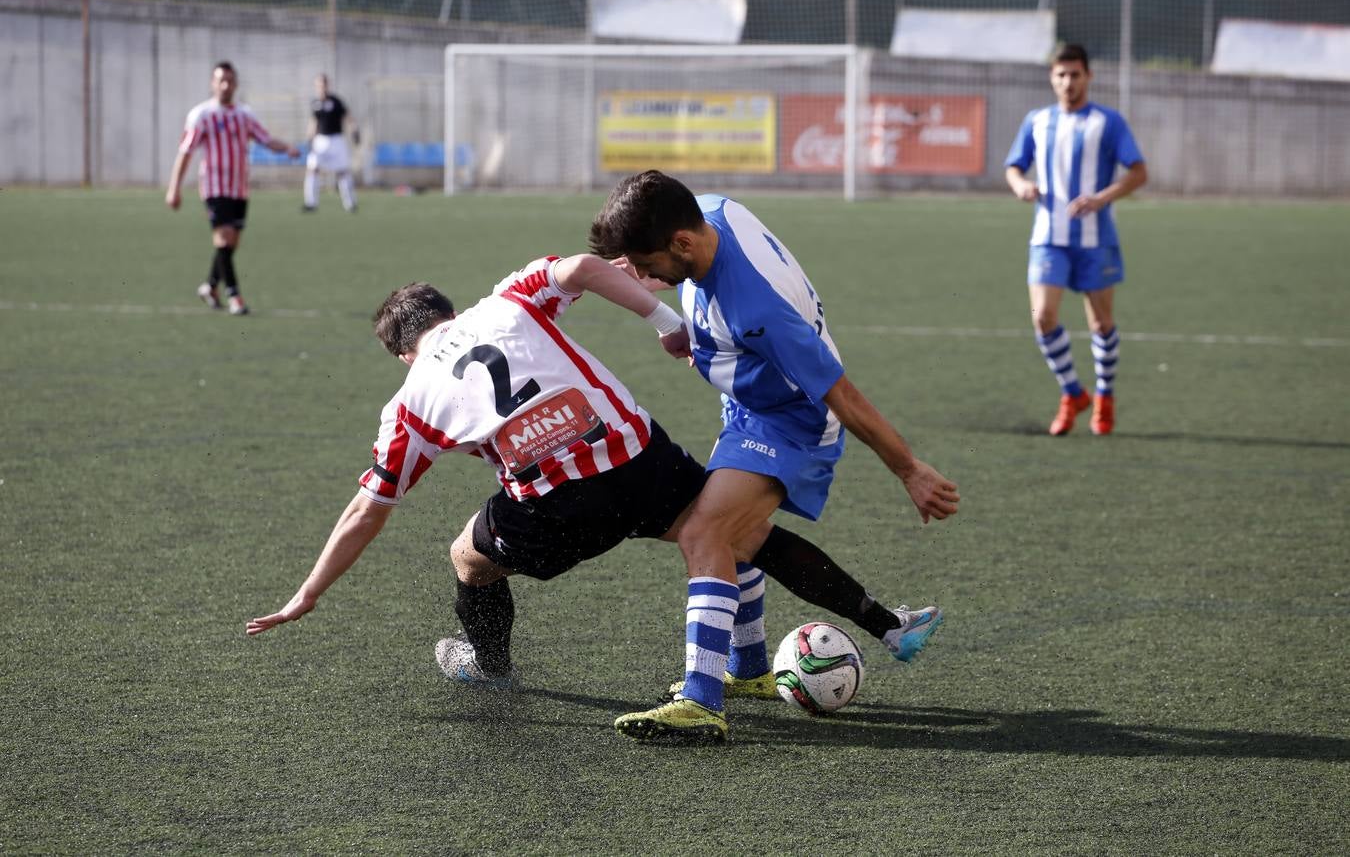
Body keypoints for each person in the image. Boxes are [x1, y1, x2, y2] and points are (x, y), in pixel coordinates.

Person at [246, 255, 942, 726]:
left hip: (558, 506)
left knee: (468, 557)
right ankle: (885, 624)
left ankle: (489, 667)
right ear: (448, 314)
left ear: (403, 351)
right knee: (735, 533)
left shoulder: (409, 401)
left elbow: (369, 508)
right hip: (640, 457)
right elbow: (582, 266)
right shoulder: (508, 298)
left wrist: (307, 593)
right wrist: (667, 324)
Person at [588, 170, 961, 744]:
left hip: (793, 423)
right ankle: (781, 659)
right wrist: (668, 306)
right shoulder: (712, 210)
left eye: (646, 262)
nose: (642, 276)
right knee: (742, 534)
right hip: (750, 406)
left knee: (704, 531)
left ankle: (700, 700)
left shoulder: (758, 309)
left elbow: (842, 394)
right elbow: (695, 276)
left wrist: (909, 469)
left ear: (682, 243)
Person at [1004, 43, 1148, 436]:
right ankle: (1073, 393)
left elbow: (1138, 172)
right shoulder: (1037, 120)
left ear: (1088, 77)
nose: (1068, 82)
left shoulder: (1108, 122)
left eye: (1075, 74)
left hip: (1095, 238)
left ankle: (1104, 397)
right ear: (1052, 78)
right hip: (1048, 236)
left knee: (1101, 324)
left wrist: (1101, 198)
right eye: (1061, 74)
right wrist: (1020, 185)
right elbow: (1014, 166)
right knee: (1043, 318)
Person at [166, 61, 301, 316]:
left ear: (235, 84)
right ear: (212, 83)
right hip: (214, 187)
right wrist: (174, 189)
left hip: (239, 188)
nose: (225, 85)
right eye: (221, 80)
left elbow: (265, 138)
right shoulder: (201, 115)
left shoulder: (244, 115)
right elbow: (185, 153)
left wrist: (287, 148)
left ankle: (210, 286)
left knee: (230, 244)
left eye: (230, 80)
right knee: (224, 237)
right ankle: (234, 296)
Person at [302, 73, 359, 214]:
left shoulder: (336, 101)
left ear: (328, 85)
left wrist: (354, 131)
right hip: (320, 140)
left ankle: (350, 204)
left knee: (343, 172)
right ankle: (311, 203)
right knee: (312, 169)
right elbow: (313, 122)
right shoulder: (315, 103)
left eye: (324, 84)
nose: (322, 87)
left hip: (336, 140)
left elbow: (348, 117)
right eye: (319, 85)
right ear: (316, 86)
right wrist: (309, 138)